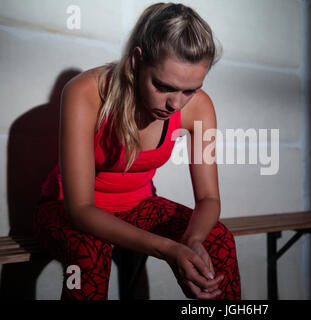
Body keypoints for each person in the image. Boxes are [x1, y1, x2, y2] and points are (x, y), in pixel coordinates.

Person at [32, 2, 241, 300]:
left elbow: (208, 198)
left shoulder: (201, 107)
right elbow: (79, 211)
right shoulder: (85, 92)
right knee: (91, 253)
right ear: (136, 61)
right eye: (163, 86)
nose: (176, 104)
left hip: (138, 206)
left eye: (190, 89)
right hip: (66, 208)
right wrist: (169, 249)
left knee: (218, 240)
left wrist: (193, 240)